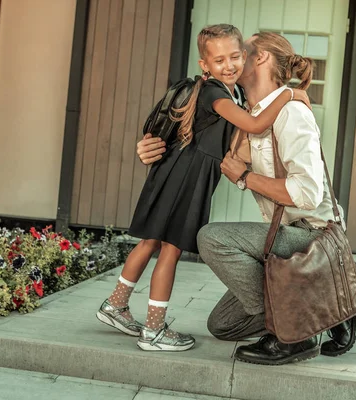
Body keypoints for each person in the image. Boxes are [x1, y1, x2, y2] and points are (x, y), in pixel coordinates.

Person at [136, 31, 356, 365]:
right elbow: (196, 145)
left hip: (312, 238)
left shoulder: (291, 114)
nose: (234, 57)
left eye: (243, 51)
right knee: (223, 325)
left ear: (261, 58)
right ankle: (324, 305)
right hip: (283, 238)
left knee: (212, 238)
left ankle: (295, 334)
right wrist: (152, 147)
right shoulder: (245, 115)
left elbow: (308, 194)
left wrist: (245, 177)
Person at [96, 24, 308, 352]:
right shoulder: (215, 94)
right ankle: (153, 330)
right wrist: (292, 94)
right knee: (170, 250)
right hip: (186, 180)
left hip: (173, 175)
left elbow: (235, 145)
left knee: (150, 242)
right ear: (204, 65)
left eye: (236, 57)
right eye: (220, 60)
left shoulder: (218, 92)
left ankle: (116, 305)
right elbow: (252, 125)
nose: (230, 65)